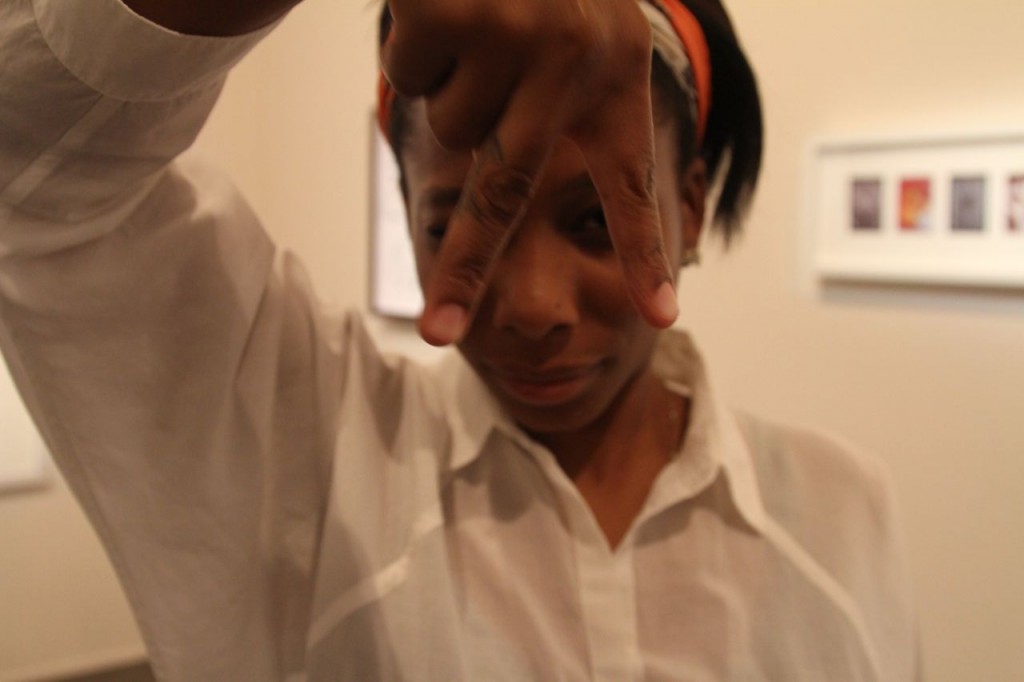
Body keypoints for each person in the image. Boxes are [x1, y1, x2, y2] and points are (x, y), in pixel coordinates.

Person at [0, 0, 918, 680]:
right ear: (405, 211)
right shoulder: (318, 456)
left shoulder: (840, 509)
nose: (533, 307)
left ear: (689, 205)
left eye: (595, 222)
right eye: (460, 226)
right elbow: (32, 177)